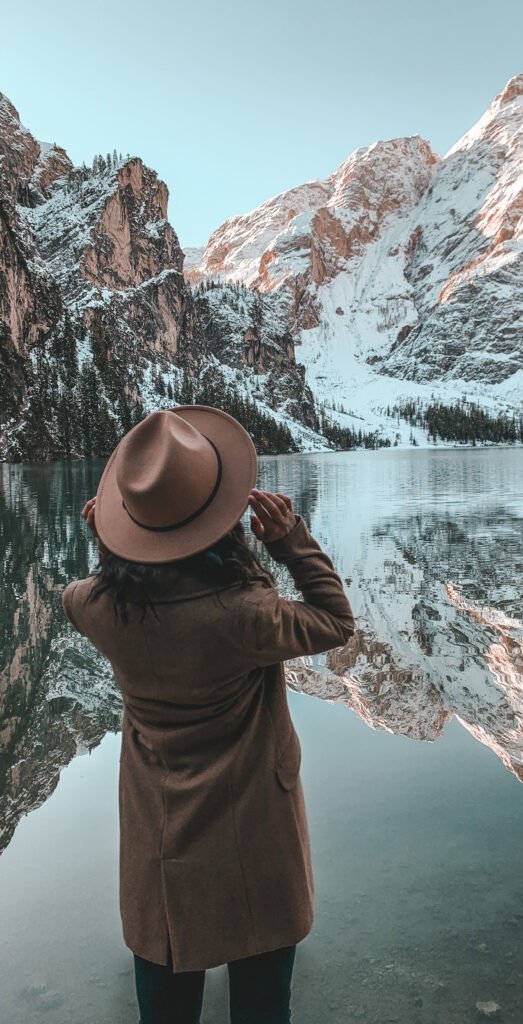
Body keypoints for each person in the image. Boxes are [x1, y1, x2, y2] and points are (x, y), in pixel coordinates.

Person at [60, 404, 356, 1024]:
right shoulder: (247, 614)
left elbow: (83, 592)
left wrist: (111, 545)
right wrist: (291, 541)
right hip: (256, 840)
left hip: (160, 850)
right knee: (261, 1009)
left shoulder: (97, 607)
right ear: (221, 519)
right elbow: (334, 620)